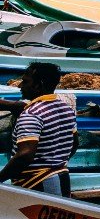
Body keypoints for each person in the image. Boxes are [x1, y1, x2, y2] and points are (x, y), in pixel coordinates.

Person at [0, 62, 76, 194]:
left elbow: (25, 155)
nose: (20, 86)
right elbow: (74, 144)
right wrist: (54, 162)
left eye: (25, 82)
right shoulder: (66, 109)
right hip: (62, 177)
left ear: (38, 85)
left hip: (36, 184)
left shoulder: (32, 114)